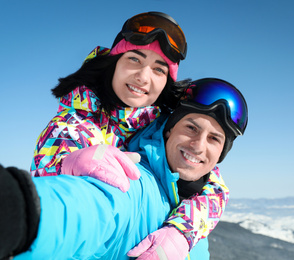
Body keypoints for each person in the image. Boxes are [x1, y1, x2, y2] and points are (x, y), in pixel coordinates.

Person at [29, 11, 231, 254]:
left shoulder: (164, 124)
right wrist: (65, 164)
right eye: (135, 59)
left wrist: (182, 232)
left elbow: (213, 185)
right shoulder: (71, 126)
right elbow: (53, 204)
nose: (143, 77)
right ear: (115, 62)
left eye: (158, 70)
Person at [0, 78, 248, 260]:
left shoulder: (198, 211)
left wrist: (183, 233)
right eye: (191, 128)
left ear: (221, 154)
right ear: (169, 129)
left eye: (214, 139)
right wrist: (18, 208)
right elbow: (84, 208)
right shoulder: (131, 179)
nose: (198, 146)